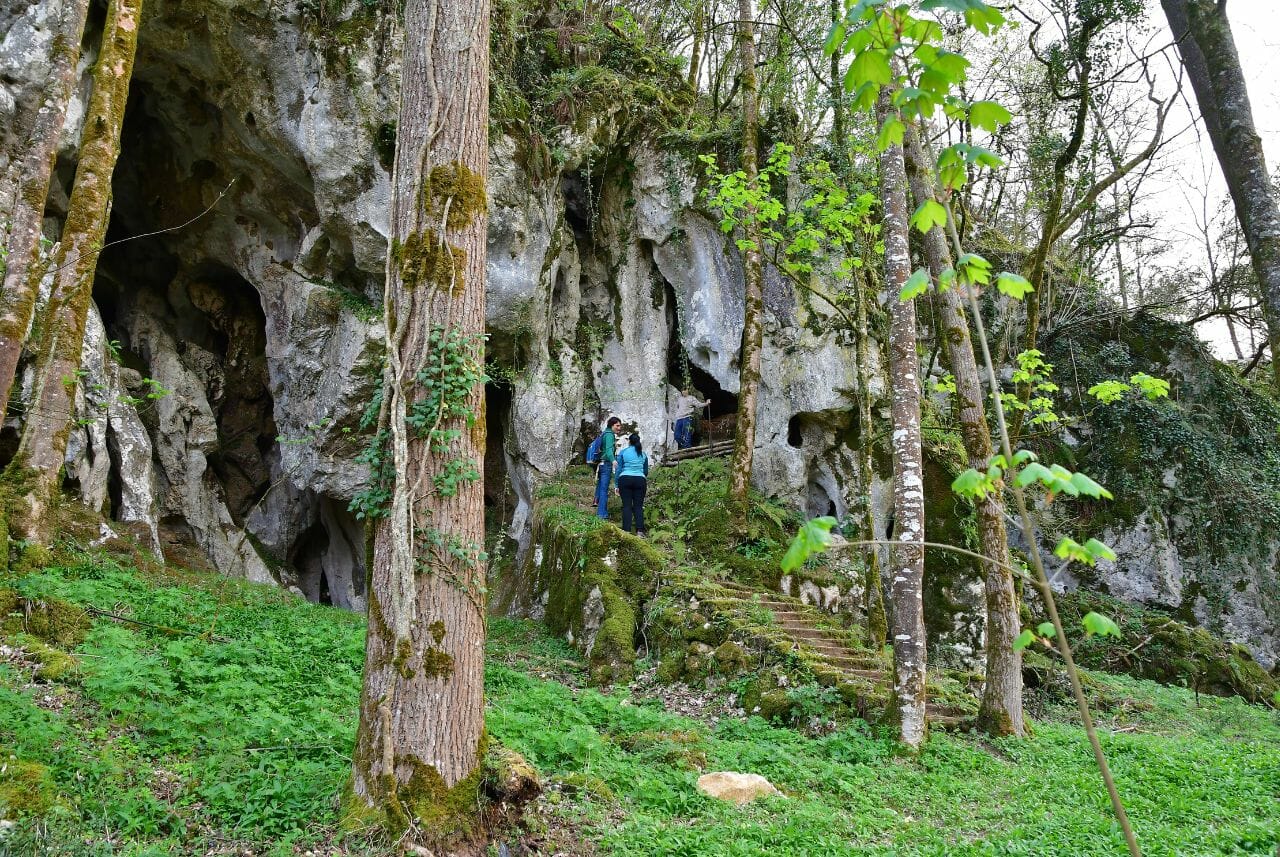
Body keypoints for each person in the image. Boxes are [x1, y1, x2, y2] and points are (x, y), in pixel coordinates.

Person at [615, 431, 650, 535]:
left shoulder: (623, 452)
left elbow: (619, 469)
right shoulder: (643, 454)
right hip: (640, 480)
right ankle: (640, 531)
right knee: (638, 506)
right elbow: (645, 472)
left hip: (625, 479)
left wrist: (616, 485)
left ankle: (627, 531)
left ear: (629, 442)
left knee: (626, 506)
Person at [595, 417, 622, 519]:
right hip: (606, 464)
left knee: (601, 487)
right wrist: (613, 460)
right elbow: (609, 449)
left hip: (601, 464)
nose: (619, 428)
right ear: (612, 425)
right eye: (617, 425)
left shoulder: (604, 433)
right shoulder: (610, 435)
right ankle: (602, 514)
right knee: (604, 490)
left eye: (620, 426)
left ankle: (600, 510)